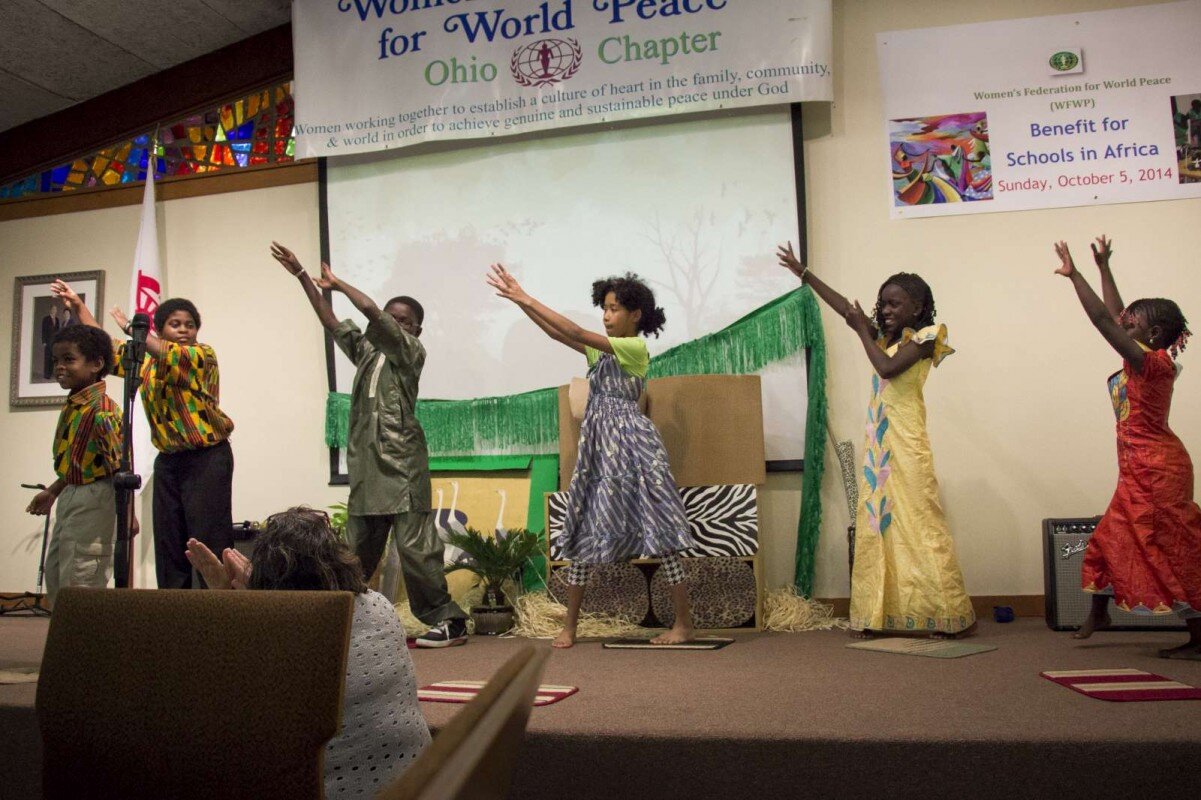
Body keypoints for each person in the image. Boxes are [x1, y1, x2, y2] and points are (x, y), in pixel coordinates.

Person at [486, 264, 697, 648]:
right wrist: (520, 301)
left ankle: (683, 623)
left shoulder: (634, 348)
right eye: (604, 307)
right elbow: (557, 332)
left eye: (614, 308)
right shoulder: (600, 355)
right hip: (600, 451)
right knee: (584, 527)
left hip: (632, 450)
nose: (606, 315)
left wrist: (527, 297)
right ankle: (570, 626)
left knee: (661, 532)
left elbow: (576, 331)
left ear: (635, 315)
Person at [269, 242, 467, 648]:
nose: (395, 325)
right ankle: (346, 618)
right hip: (367, 468)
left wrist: (339, 283)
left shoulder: (410, 353)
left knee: (416, 551)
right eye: (394, 319)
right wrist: (303, 276)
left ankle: (447, 620)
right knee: (355, 552)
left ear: (416, 330)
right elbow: (331, 322)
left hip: (402, 466)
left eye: (404, 321)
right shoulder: (366, 353)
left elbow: (372, 313)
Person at [778, 242, 975, 638]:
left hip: (908, 444)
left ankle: (944, 614)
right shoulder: (883, 337)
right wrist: (804, 274)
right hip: (881, 451)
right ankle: (879, 614)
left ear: (917, 308)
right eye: (881, 303)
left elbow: (885, 368)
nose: (884, 310)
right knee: (880, 526)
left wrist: (860, 332)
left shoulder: (924, 338)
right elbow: (846, 311)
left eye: (894, 304)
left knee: (920, 523)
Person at [185, 507, 431, 798]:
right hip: (424, 781)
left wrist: (236, 612)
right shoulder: (381, 606)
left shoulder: (286, 643)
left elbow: (222, 726)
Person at [1054, 236, 1201, 659]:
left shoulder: (1152, 364)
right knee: (1107, 537)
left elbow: (1104, 321)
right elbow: (1117, 317)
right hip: (1139, 470)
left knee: (1168, 550)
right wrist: (1104, 267)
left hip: (1158, 473)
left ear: (1152, 334)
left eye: (1132, 326)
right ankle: (1099, 612)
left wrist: (1076, 274)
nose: (1124, 328)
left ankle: (1199, 633)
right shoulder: (1140, 356)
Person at [51, 280, 235, 589]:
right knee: (169, 543)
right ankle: (173, 616)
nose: (184, 330)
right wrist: (79, 306)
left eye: (190, 325)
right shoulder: (146, 364)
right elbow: (105, 349)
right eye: (175, 324)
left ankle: (218, 615)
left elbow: (163, 351)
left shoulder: (202, 355)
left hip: (207, 459)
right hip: (169, 461)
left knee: (208, 540)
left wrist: (134, 332)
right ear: (161, 329)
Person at [24, 325, 125, 603]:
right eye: (56, 360)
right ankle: (66, 641)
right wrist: (54, 491)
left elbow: (119, 468)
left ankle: (83, 644)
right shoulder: (75, 406)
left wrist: (127, 514)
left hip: (96, 497)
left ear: (96, 364)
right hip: (72, 495)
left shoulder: (102, 412)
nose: (59, 367)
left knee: (82, 576)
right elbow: (78, 462)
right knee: (58, 574)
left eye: (69, 359)